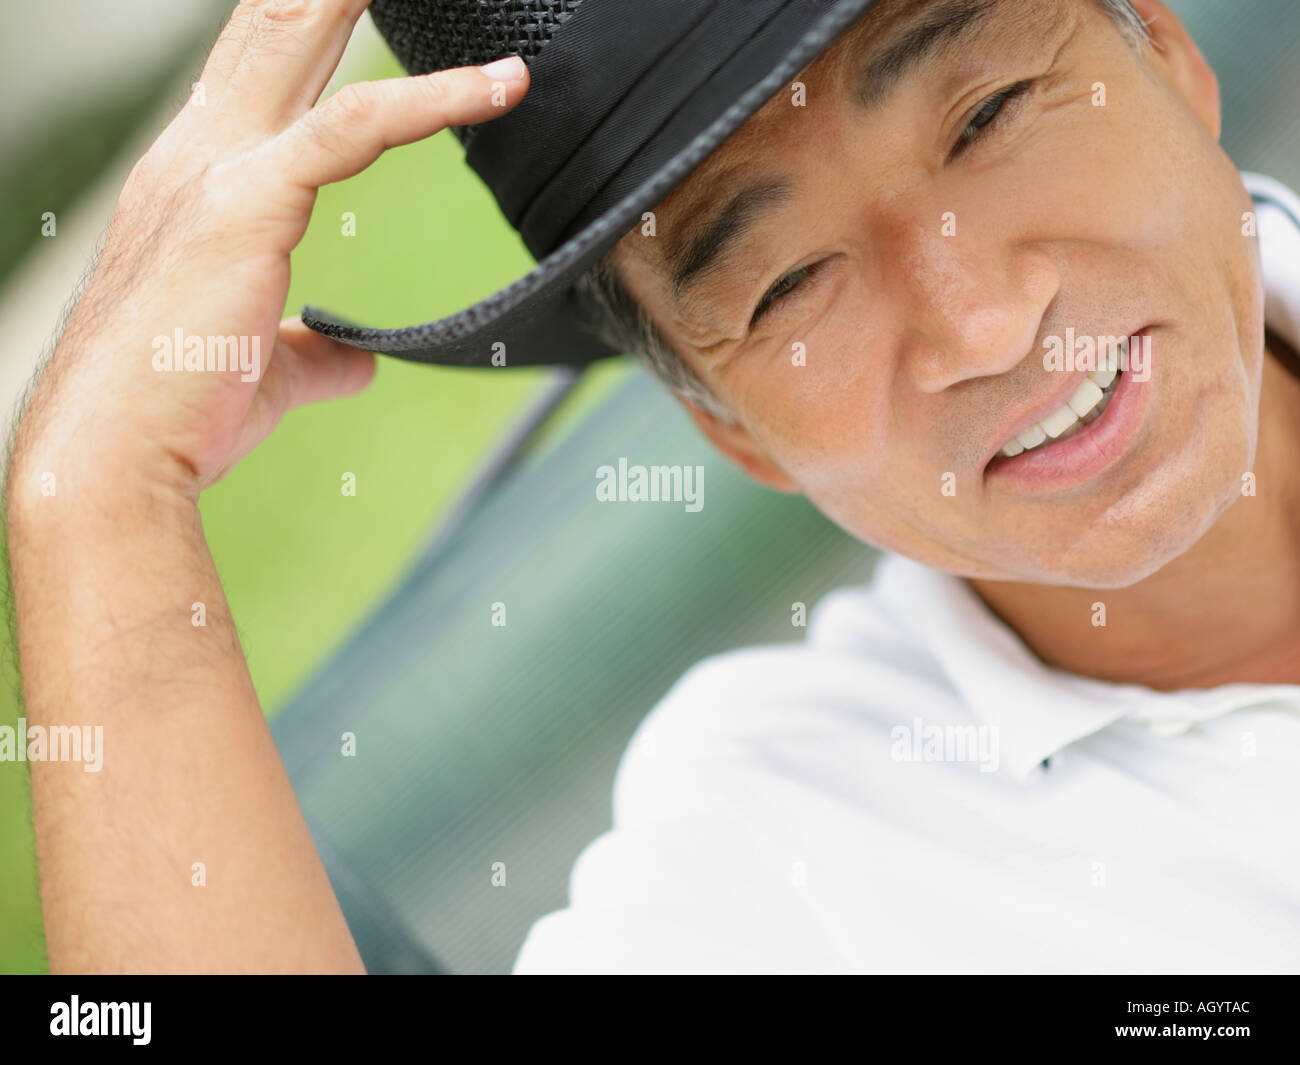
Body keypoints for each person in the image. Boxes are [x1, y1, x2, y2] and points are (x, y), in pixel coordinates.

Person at [6, 0, 1298, 974]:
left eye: (990, 113)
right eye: (789, 286)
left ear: (1167, 54)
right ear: (727, 427)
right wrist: (95, 504)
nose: (987, 325)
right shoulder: (795, 857)